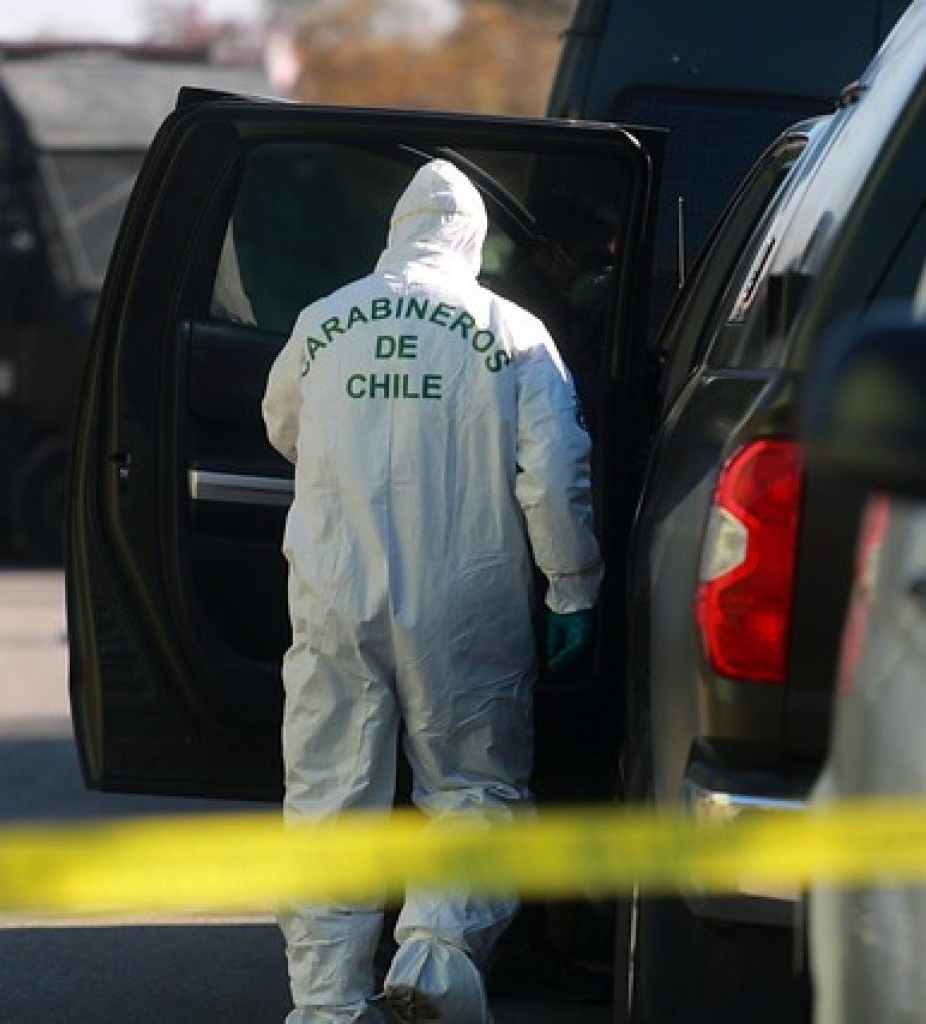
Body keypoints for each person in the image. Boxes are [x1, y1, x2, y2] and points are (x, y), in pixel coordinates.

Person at [262, 158, 603, 1024]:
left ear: (398, 229)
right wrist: (571, 586)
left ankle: (327, 1007)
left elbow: (283, 428)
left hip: (335, 596)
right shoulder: (513, 329)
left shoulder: (322, 322)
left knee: (330, 798)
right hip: (468, 600)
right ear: (474, 242)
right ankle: (433, 956)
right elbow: (556, 473)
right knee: (474, 790)